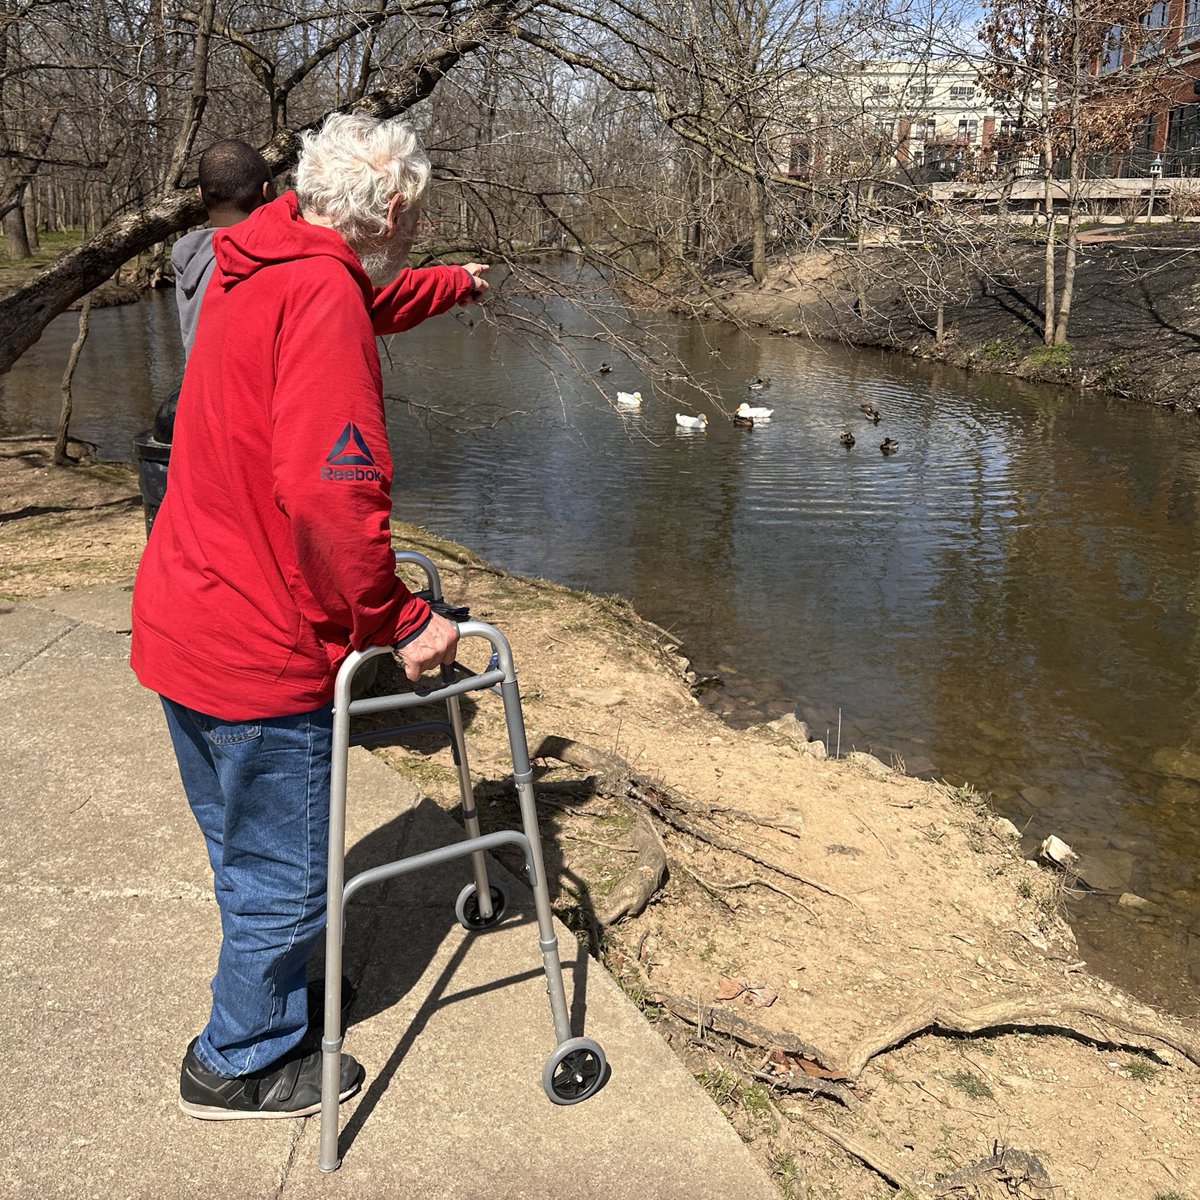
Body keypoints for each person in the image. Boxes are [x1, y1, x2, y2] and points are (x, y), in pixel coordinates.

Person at [130, 111, 489, 1120]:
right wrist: (397, 616)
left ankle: (273, 997)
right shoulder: (322, 295)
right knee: (285, 874)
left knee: (244, 849)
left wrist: (457, 286)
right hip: (258, 640)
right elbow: (334, 498)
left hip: (186, 614)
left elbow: (363, 294)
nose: (415, 241)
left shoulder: (265, 258)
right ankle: (238, 1060)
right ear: (389, 217)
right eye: (413, 227)